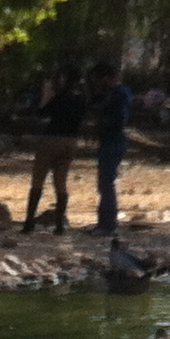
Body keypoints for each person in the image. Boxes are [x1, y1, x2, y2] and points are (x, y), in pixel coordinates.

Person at [22, 71, 86, 233]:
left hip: (52, 139)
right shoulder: (82, 98)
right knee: (61, 182)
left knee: (38, 179)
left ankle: (29, 222)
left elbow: (42, 112)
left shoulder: (61, 97)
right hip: (71, 141)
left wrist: (46, 94)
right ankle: (59, 225)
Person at [91, 61, 132, 233]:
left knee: (107, 182)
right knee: (104, 182)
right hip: (110, 140)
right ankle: (104, 222)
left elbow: (119, 119)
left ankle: (108, 224)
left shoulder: (118, 94)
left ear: (107, 77)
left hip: (113, 141)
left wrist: (104, 123)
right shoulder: (116, 93)